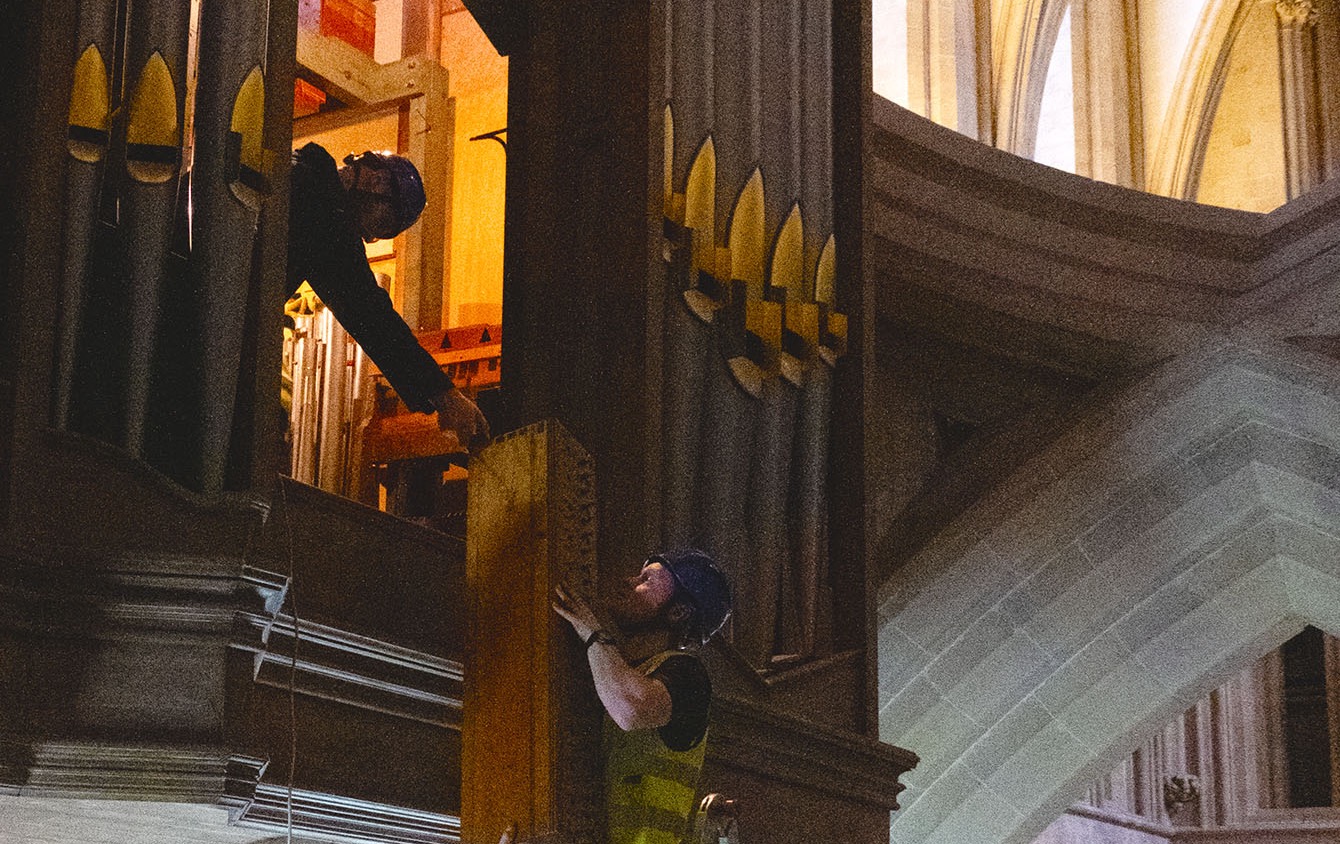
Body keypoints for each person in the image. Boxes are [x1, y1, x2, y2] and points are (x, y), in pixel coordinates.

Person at [287, 142, 489, 449]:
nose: (368, 235)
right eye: (381, 225)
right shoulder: (323, 205)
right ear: (377, 180)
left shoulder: (309, 182)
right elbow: (370, 314)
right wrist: (444, 394)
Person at [553, 549, 733, 844]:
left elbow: (630, 710)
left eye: (645, 580)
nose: (629, 581)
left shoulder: (688, 675)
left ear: (678, 612)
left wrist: (594, 633)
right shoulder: (621, 669)